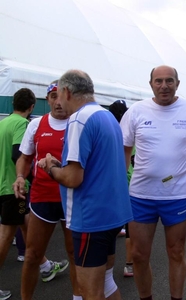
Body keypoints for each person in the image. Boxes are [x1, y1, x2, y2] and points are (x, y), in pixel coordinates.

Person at [38, 70, 133, 299]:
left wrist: (50, 167)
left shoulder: (79, 119)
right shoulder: (107, 116)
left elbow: (73, 178)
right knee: (107, 283)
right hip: (112, 215)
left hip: (90, 219)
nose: (58, 102)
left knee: (89, 291)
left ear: (67, 92)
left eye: (58, 95)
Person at [120, 65, 186, 300]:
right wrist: (120, 181)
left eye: (169, 81)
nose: (164, 86)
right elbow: (124, 146)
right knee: (139, 255)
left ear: (177, 84)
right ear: (150, 84)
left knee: (176, 252)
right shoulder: (137, 110)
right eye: (158, 81)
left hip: (177, 195)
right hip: (141, 194)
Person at [12, 81, 79, 300]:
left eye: (62, 96)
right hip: (43, 198)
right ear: (47, 99)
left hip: (71, 197)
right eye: (53, 96)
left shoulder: (78, 124)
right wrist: (21, 177)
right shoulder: (36, 124)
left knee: (74, 254)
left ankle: (78, 297)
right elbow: (24, 157)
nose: (58, 102)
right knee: (32, 255)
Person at [0, 88, 36, 300]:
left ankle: (45, 265)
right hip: (13, 188)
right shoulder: (22, 124)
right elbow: (18, 154)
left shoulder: (3, 123)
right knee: (6, 236)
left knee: (27, 225)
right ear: (31, 107)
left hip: (2, 185)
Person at [108, 99, 134, 278]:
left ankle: (106, 269)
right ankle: (129, 265)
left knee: (108, 225)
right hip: (131, 183)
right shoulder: (130, 133)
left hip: (111, 184)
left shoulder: (107, 131)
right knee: (132, 228)